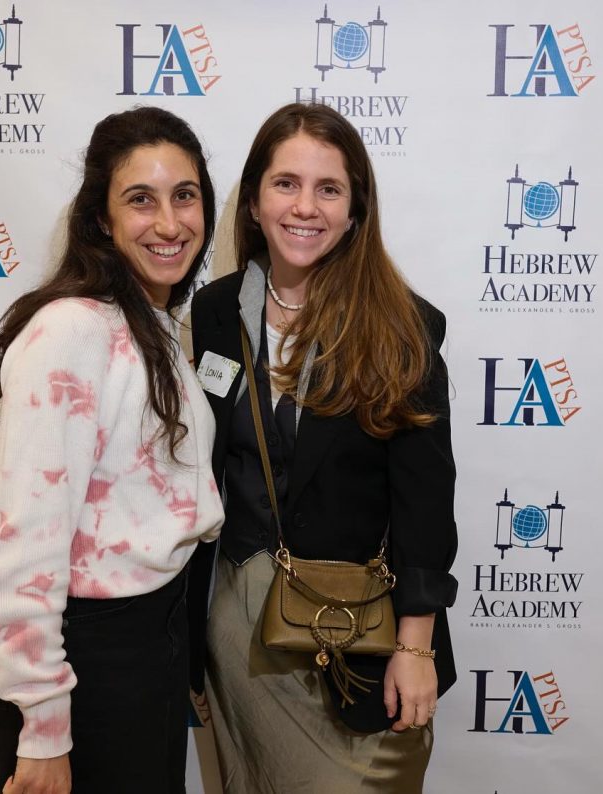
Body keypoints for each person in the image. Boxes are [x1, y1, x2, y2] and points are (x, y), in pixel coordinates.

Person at [189, 102, 458, 792]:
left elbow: (426, 501)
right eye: (285, 184)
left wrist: (416, 647)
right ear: (254, 202)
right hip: (240, 632)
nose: (304, 207)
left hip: (359, 640)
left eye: (328, 188)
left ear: (355, 209)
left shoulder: (401, 326)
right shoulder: (214, 312)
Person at [0, 106, 224, 794]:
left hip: (149, 645)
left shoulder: (148, 323)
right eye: (141, 199)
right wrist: (43, 728)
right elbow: (24, 543)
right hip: (89, 662)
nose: (169, 223)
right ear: (101, 220)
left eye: (184, 196)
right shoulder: (70, 331)